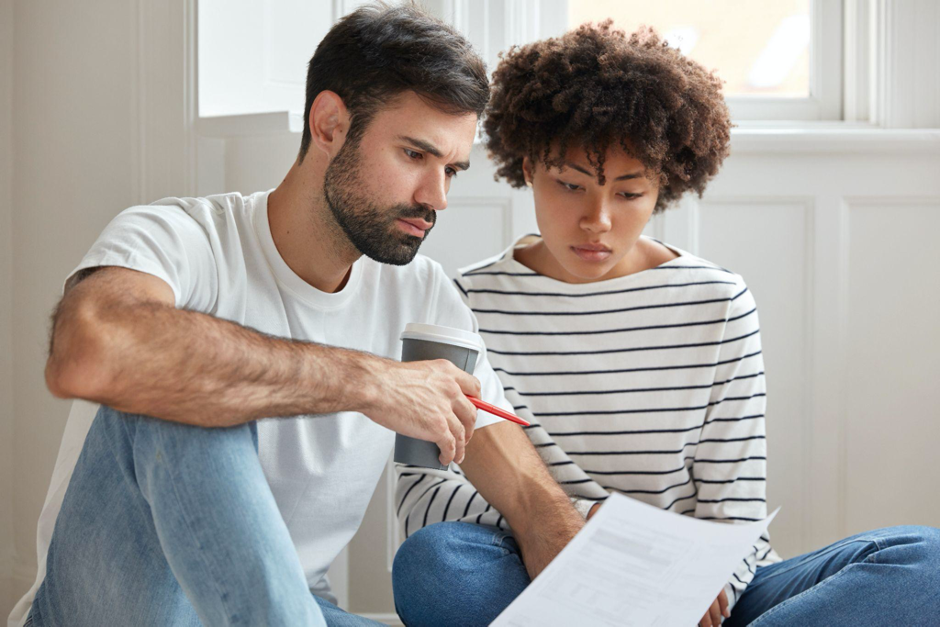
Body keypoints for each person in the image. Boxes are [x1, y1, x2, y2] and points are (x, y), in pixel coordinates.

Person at [8, 5, 588, 627]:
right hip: (113, 609)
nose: (436, 197)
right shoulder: (180, 238)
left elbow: (519, 483)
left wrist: (573, 541)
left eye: (450, 169)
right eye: (415, 155)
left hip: (289, 609)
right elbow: (90, 350)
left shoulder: (422, 297)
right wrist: (371, 381)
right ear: (331, 124)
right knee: (176, 386)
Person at [392, 21, 940, 627]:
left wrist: (680, 580)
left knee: (924, 563)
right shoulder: (455, 303)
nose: (596, 220)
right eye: (570, 185)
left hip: (702, 599)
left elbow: (733, 515)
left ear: (665, 184)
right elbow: (423, 499)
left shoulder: (719, 302)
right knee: (434, 563)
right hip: (538, 575)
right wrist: (574, 533)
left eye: (630, 194)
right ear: (527, 167)